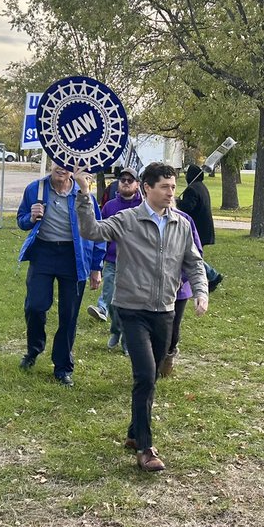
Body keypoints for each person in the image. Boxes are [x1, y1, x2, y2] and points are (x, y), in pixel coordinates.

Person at [74, 162, 208, 472]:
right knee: (145, 376)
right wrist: (84, 192)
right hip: (132, 310)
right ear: (147, 188)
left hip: (165, 312)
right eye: (164, 186)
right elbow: (91, 230)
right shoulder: (127, 220)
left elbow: (194, 262)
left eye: (173, 187)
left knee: (153, 376)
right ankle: (146, 449)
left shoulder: (181, 224)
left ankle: (134, 433)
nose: (170, 192)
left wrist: (201, 292)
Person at [16, 163, 105, 386]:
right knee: (35, 306)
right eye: (58, 163)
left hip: (73, 257)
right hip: (44, 253)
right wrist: (31, 217)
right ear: (51, 164)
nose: (62, 169)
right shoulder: (34, 189)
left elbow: (98, 231)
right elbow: (21, 220)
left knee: (69, 314)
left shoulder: (83, 195)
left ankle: (63, 366)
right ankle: (34, 349)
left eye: (67, 165)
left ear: (73, 170)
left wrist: (96, 267)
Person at [91, 166, 143, 349]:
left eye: (130, 180)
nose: (126, 183)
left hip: (136, 263)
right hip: (112, 261)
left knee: (130, 303)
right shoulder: (109, 207)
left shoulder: (143, 207)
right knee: (111, 299)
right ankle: (116, 329)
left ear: (137, 184)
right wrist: (97, 263)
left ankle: (127, 339)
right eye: (123, 180)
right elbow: (100, 235)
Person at [158, 206, 205, 378]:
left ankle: (169, 356)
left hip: (178, 289)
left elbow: (195, 255)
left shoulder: (184, 220)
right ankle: (152, 363)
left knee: (173, 328)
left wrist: (181, 278)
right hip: (152, 289)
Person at [177, 163, 224, 292]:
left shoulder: (191, 189)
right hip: (204, 228)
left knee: (191, 257)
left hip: (197, 229)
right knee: (193, 256)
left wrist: (177, 202)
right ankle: (204, 279)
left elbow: (188, 207)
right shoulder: (202, 187)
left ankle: (212, 275)